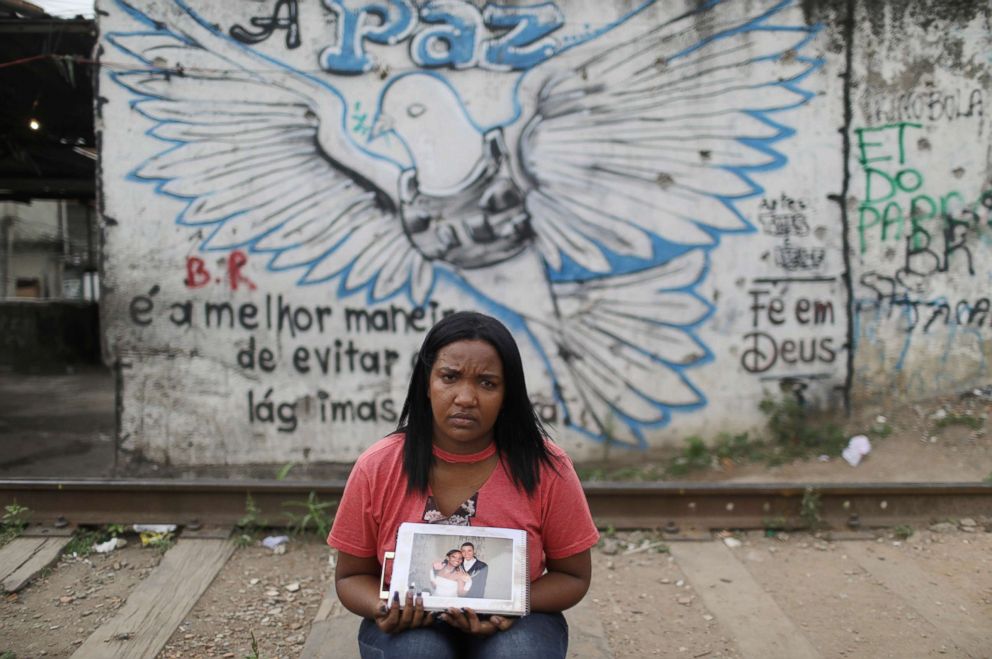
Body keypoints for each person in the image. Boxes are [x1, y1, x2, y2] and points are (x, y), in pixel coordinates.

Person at [328, 311, 600, 659]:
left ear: (508, 394)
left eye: (487, 383)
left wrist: (510, 604)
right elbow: (351, 577)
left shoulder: (547, 467)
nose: (466, 397)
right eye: (450, 377)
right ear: (426, 383)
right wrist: (384, 608)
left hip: (516, 620)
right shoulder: (378, 466)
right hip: (412, 624)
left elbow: (573, 576)